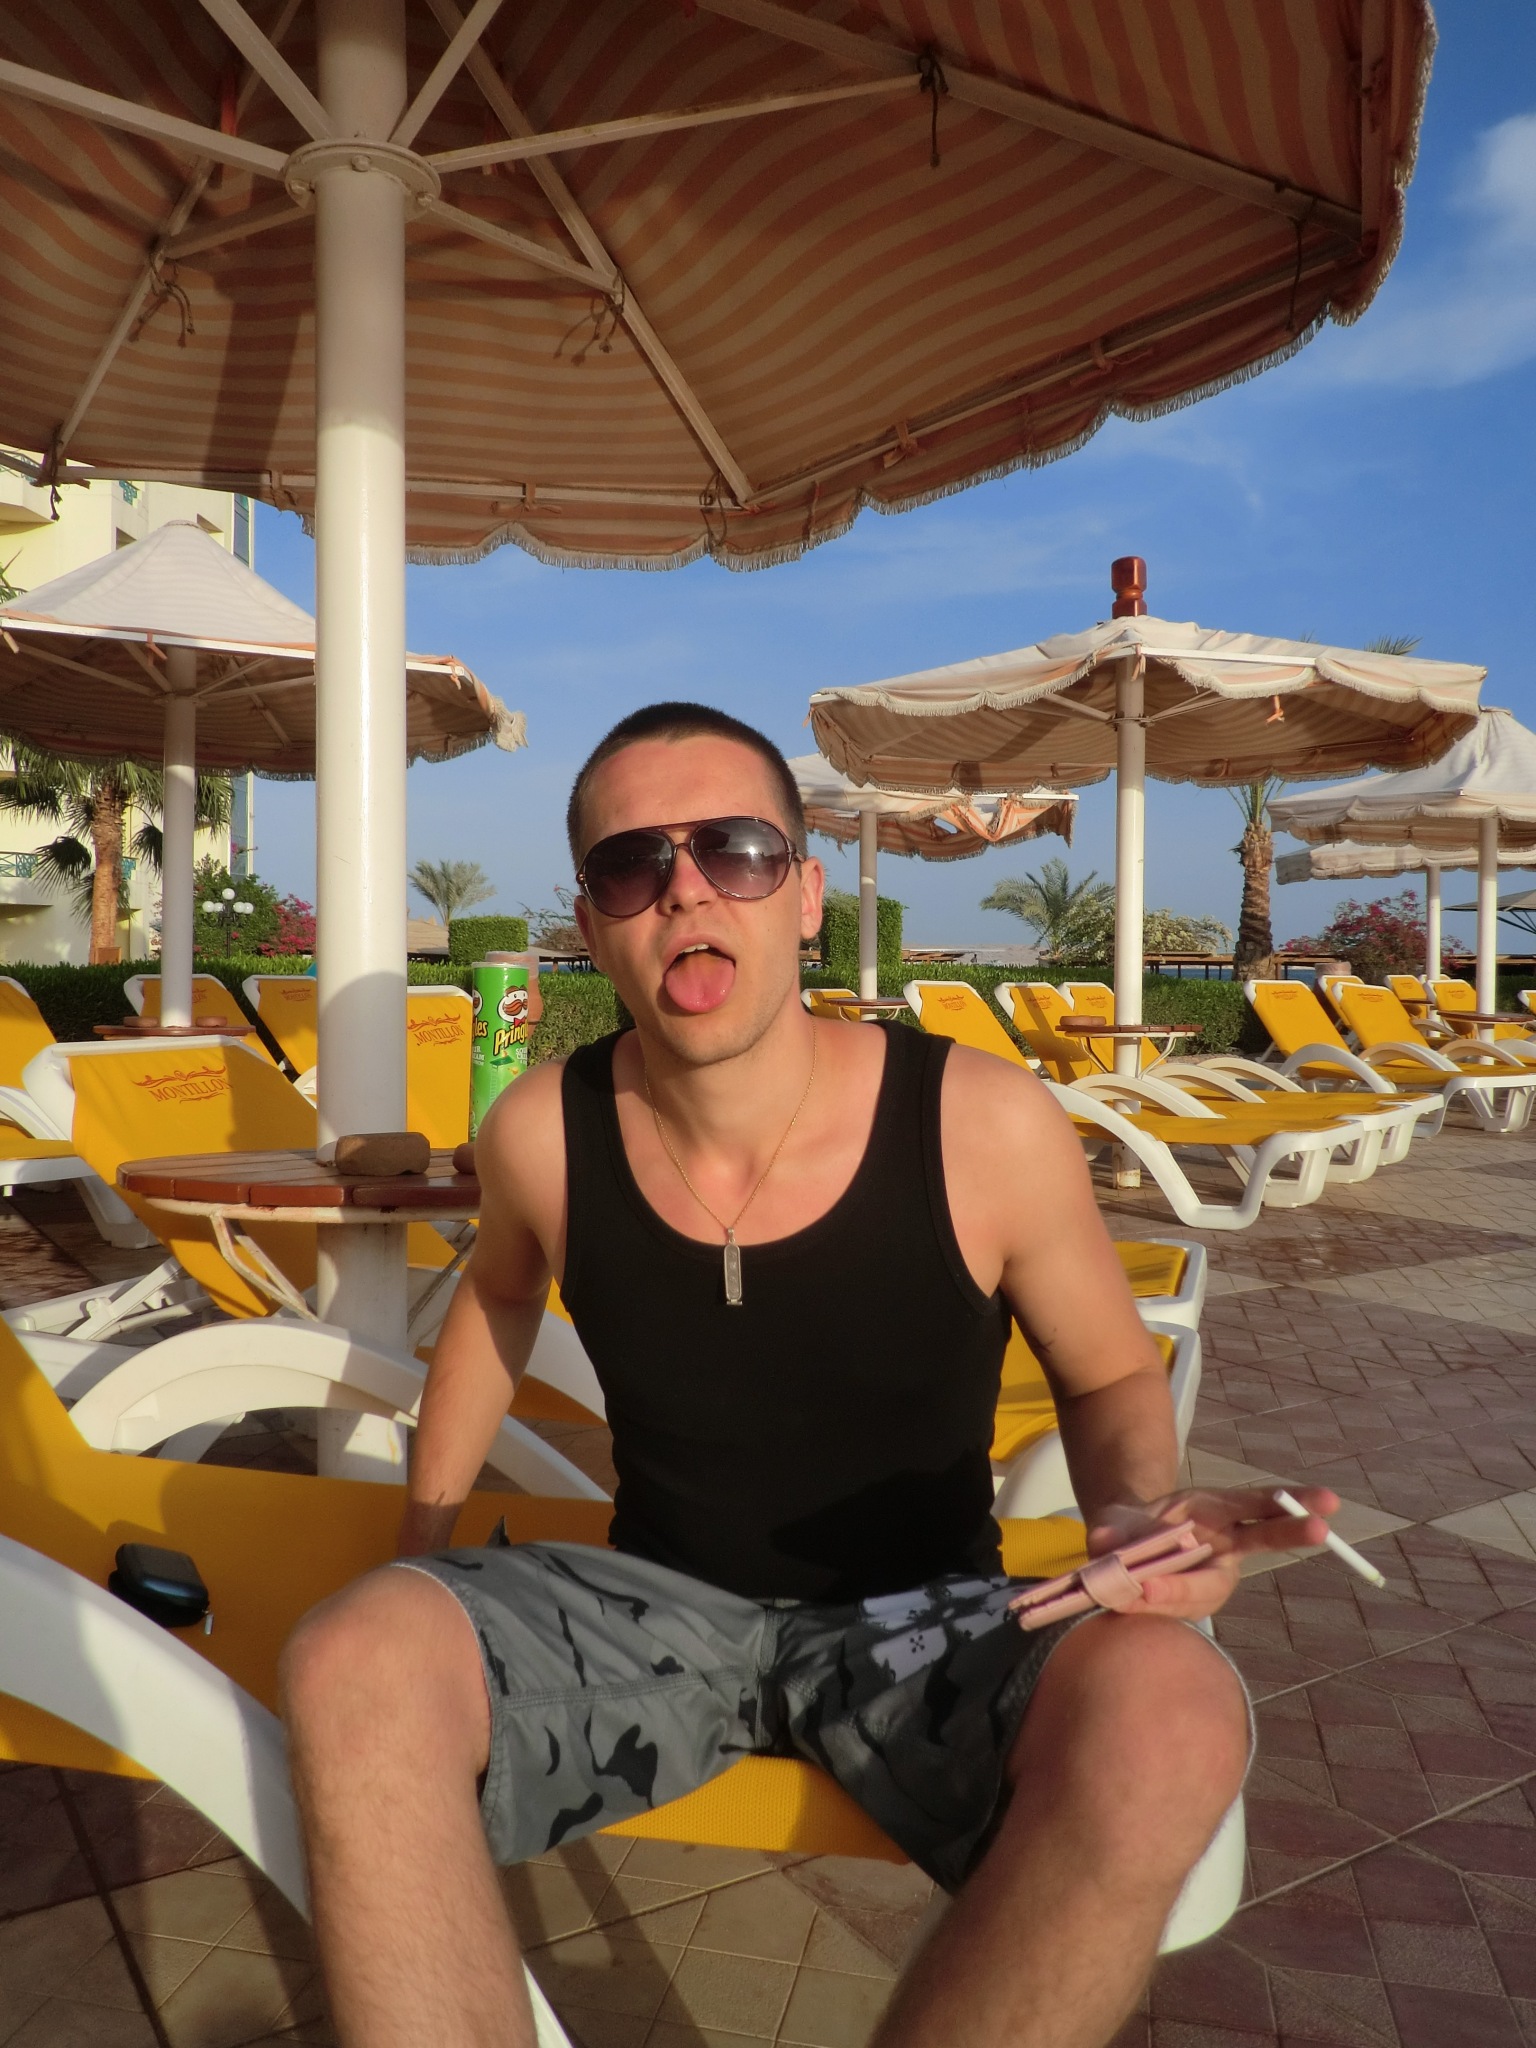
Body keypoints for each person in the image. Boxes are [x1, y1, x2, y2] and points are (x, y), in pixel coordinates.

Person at [282, 703, 1335, 2048]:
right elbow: (496, 1298)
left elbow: (1111, 1374)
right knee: (355, 1658)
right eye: (632, 866)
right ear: (593, 923)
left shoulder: (979, 1123)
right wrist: (419, 1548)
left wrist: (1131, 1511)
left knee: (1175, 1713)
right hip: (656, 1610)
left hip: (931, 1618)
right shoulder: (542, 1130)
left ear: (805, 894)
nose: (685, 891)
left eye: (733, 849)